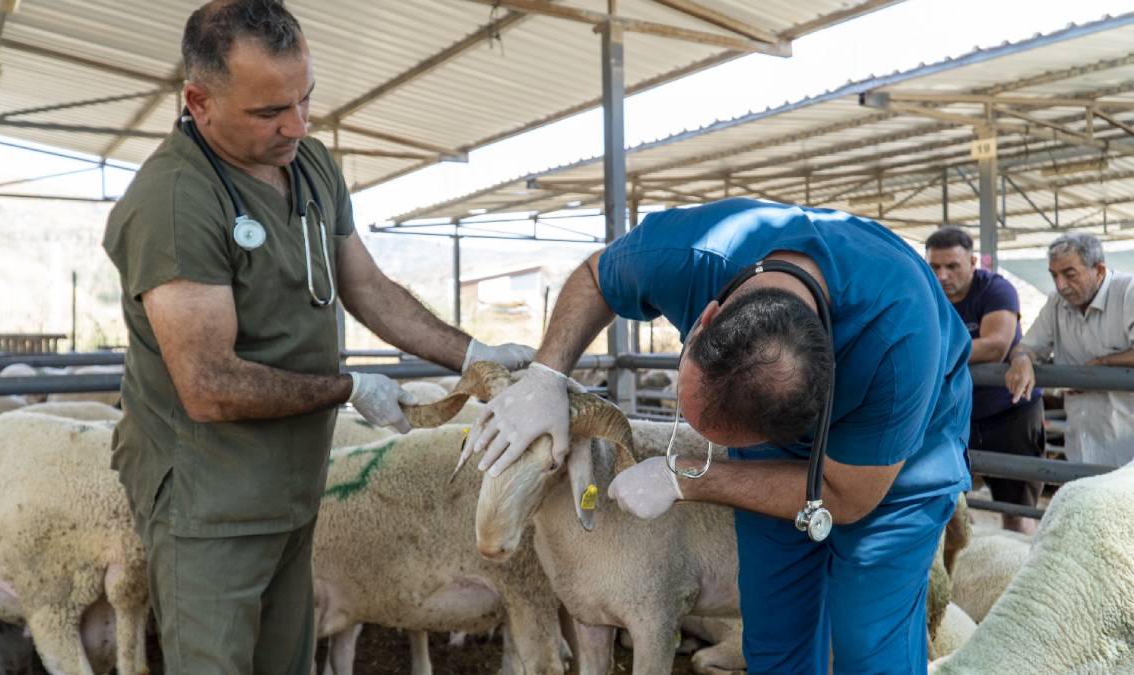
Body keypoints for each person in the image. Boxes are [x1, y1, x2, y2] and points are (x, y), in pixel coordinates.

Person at [102, 2, 532, 672]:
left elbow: (366, 285)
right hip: (209, 503)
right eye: (270, 110)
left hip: (293, 489)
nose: (296, 125)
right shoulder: (176, 201)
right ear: (199, 100)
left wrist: (471, 353)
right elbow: (208, 384)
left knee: (288, 661)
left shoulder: (311, 164)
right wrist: (349, 386)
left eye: (305, 99)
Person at [464, 198, 972, 673]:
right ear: (705, 319)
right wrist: (547, 375)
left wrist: (687, 478)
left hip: (899, 455)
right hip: (774, 428)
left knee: (869, 642)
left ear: (818, 402)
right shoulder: (688, 255)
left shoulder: (896, 345)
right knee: (774, 631)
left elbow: (847, 495)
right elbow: (596, 278)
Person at [925, 227, 1044, 535]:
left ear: (973, 261)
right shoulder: (927, 293)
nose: (942, 276)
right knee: (950, 506)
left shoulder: (996, 290)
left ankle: (1018, 576)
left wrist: (929, 355)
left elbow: (995, 346)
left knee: (1016, 511)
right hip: (955, 416)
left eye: (952, 266)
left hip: (1009, 412)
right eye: (934, 266)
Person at [1006, 232, 1134, 467]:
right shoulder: (1056, 303)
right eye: (1054, 275)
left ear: (1100, 270)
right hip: (1082, 439)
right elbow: (1027, 346)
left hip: (1128, 442)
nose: (1060, 285)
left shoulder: (1128, 292)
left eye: (1069, 274)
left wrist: (1102, 365)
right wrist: (1022, 359)